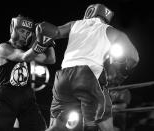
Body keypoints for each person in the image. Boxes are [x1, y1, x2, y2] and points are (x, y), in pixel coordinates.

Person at [33, 3, 139, 131]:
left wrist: (40, 32)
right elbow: (135, 57)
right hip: (89, 76)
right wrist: (124, 70)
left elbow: (53, 31)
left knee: (56, 127)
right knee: (106, 128)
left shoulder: (74, 24)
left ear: (89, 12)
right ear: (106, 18)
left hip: (63, 77)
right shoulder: (111, 31)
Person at [0, 14, 56, 131]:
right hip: (6, 96)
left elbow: (51, 59)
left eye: (28, 32)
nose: (25, 35)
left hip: (27, 96)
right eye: (22, 30)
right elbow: (24, 57)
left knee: (39, 128)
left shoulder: (29, 51)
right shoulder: (3, 48)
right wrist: (41, 43)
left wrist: (49, 42)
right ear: (13, 29)